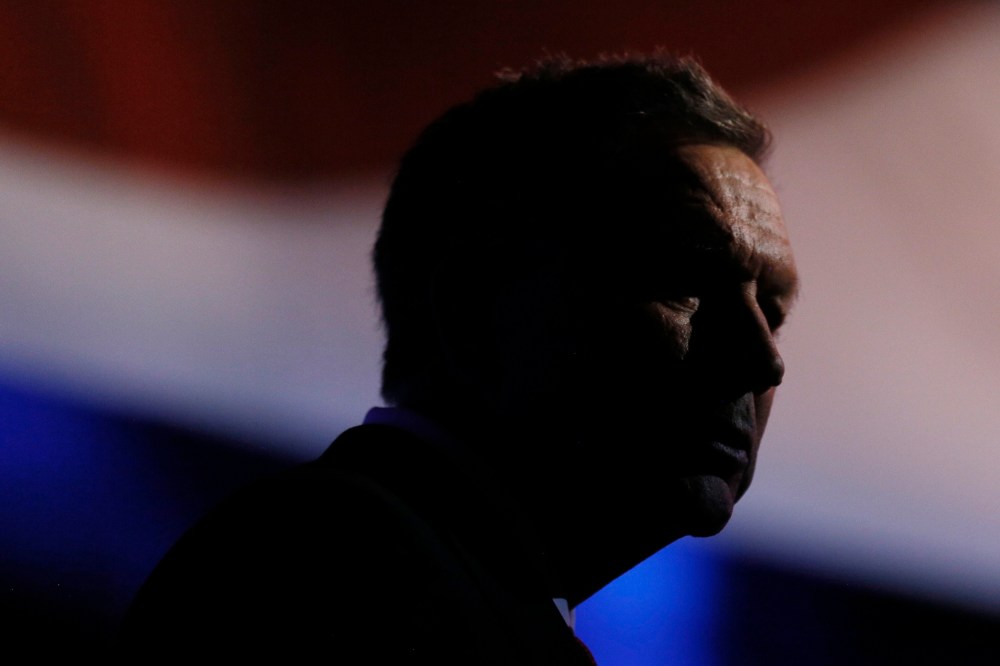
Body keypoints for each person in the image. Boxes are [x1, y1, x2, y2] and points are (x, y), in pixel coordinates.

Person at [117, 51, 799, 664]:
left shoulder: (439, 583)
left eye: (771, 309)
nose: (762, 359)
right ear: (473, 308)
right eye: (681, 276)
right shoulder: (333, 568)